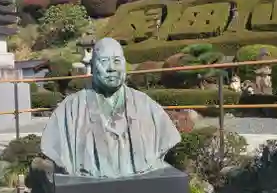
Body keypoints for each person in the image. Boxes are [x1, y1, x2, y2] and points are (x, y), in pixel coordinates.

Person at [41, 37, 181, 178]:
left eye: (116, 61)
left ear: (124, 64)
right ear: (93, 66)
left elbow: (167, 138)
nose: (111, 68)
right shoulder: (70, 110)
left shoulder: (147, 107)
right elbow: (53, 147)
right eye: (104, 61)